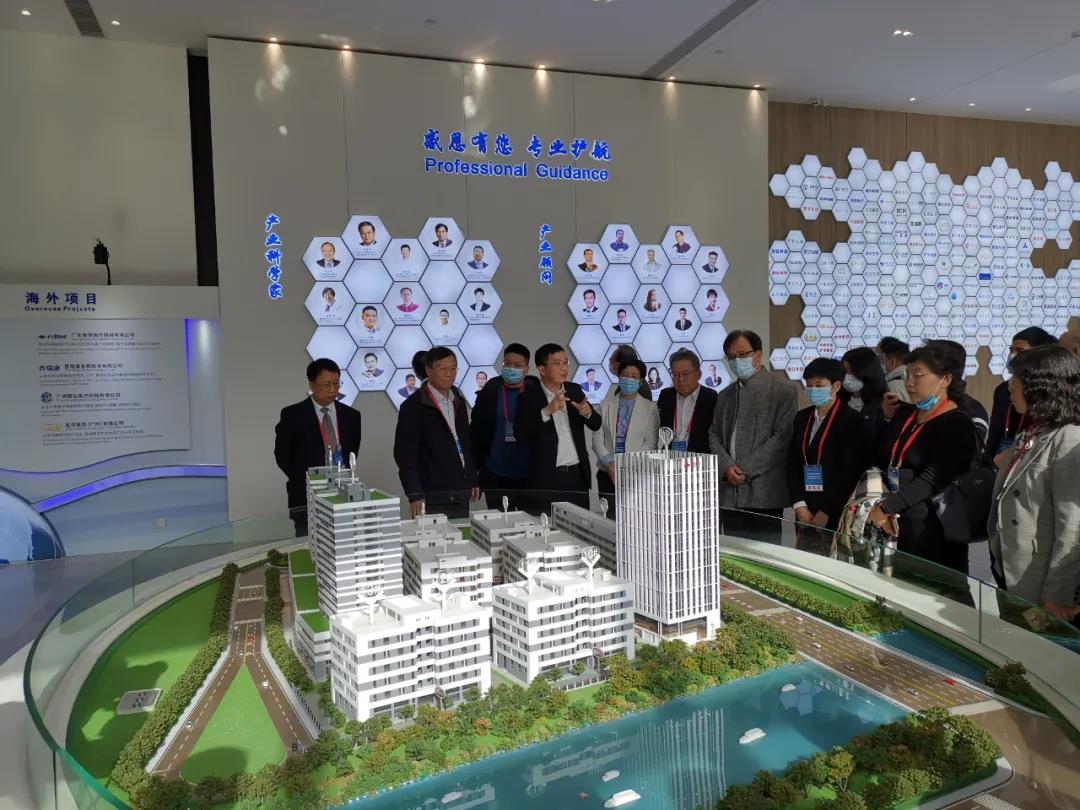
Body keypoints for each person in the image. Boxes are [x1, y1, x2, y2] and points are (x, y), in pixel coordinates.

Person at [869, 341, 980, 573]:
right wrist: (885, 418)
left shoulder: (957, 422)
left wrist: (888, 507)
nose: (909, 382)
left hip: (933, 527)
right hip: (898, 520)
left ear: (945, 379)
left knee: (937, 585)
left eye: (918, 374)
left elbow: (933, 478)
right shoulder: (907, 413)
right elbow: (882, 456)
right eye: (907, 374)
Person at [989, 344, 1080, 619]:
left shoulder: (1069, 438)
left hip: (1040, 583)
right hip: (1011, 571)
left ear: (1040, 386)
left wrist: (1057, 594)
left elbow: (1072, 525)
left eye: (1016, 380)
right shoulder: (1032, 432)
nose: (1010, 388)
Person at [709, 329, 797, 544]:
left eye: (742, 355)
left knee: (765, 556)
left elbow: (782, 438)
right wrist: (726, 467)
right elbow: (714, 434)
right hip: (729, 493)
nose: (736, 361)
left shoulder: (783, 390)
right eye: (731, 357)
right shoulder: (725, 395)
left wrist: (744, 469)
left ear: (758, 354)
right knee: (734, 554)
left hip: (764, 493)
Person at [274, 358, 362, 536]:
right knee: (309, 542)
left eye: (336, 383)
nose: (333, 389)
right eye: (326, 385)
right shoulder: (292, 415)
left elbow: (352, 451)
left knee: (344, 540)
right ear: (312, 385)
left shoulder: (352, 416)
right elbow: (282, 456)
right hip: (306, 495)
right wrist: (310, 481)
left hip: (343, 492)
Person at [515, 343, 602, 513]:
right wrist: (547, 411)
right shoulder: (528, 398)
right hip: (546, 480)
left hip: (577, 477)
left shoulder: (574, 390)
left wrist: (587, 413)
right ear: (542, 369)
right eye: (557, 363)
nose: (564, 367)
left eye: (565, 362)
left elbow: (596, 424)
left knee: (579, 526)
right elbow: (521, 435)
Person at [394, 347, 478, 518]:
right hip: (431, 493)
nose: (449, 374)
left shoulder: (458, 400)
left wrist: (472, 478)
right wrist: (415, 494)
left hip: (460, 489)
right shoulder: (413, 406)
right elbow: (405, 454)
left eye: (453, 368)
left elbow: (465, 442)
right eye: (442, 368)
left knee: (461, 533)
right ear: (428, 370)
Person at [787, 359, 862, 539]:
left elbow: (849, 472)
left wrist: (827, 510)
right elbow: (792, 463)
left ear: (836, 386)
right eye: (809, 385)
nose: (813, 390)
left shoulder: (851, 420)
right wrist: (799, 505)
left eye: (819, 385)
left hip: (835, 510)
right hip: (805, 508)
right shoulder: (802, 417)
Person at [471, 343, 537, 510]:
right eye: (507, 364)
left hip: (529, 475)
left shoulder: (535, 390)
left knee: (528, 522)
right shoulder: (491, 389)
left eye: (517, 365)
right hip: (495, 474)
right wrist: (475, 468)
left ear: (526, 369)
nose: (511, 368)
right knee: (498, 521)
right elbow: (476, 430)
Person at [592, 358, 659, 517]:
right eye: (625, 374)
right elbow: (597, 439)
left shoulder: (650, 408)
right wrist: (610, 465)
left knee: (636, 521)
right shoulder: (605, 405)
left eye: (634, 376)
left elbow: (650, 444)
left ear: (641, 381)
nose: (629, 379)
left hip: (637, 475)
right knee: (610, 519)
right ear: (619, 376)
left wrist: (625, 466)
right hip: (607, 474)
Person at [985, 327, 1058, 467]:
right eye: (1011, 350)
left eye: (1020, 350)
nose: (1013, 355)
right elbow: (994, 436)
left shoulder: (1049, 391)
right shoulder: (1002, 390)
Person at [657, 348, 718, 454]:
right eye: (675, 374)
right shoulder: (666, 395)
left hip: (698, 458)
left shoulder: (711, 397)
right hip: (669, 456)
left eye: (685, 374)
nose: (680, 379)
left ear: (699, 374)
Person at [842, 346, 888, 470]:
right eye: (845, 371)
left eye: (852, 371)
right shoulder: (839, 403)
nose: (847, 376)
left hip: (872, 472)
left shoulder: (884, 404)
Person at [877, 337, 910, 402]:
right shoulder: (916, 379)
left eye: (883, 359)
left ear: (892, 362)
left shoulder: (892, 386)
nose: (882, 363)